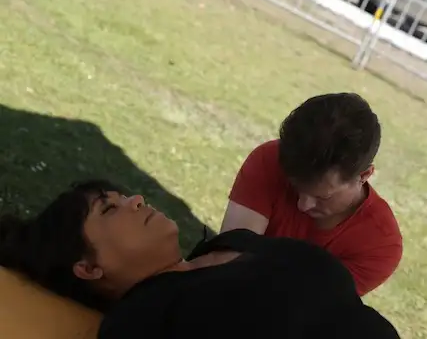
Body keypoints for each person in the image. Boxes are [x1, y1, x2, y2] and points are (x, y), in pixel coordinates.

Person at [0, 180, 400, 338]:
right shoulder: (144, 322)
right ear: (89, 267)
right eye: (109, 208)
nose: (136, 199)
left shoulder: (230, 245)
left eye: (124, 196)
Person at [221, 93, 402, 297]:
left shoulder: (379, 245)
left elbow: (298, 305)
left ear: (364, 176)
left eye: (323, 197)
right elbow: (226, 263)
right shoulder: (270, 160)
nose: (303, 205)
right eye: (296, 187)